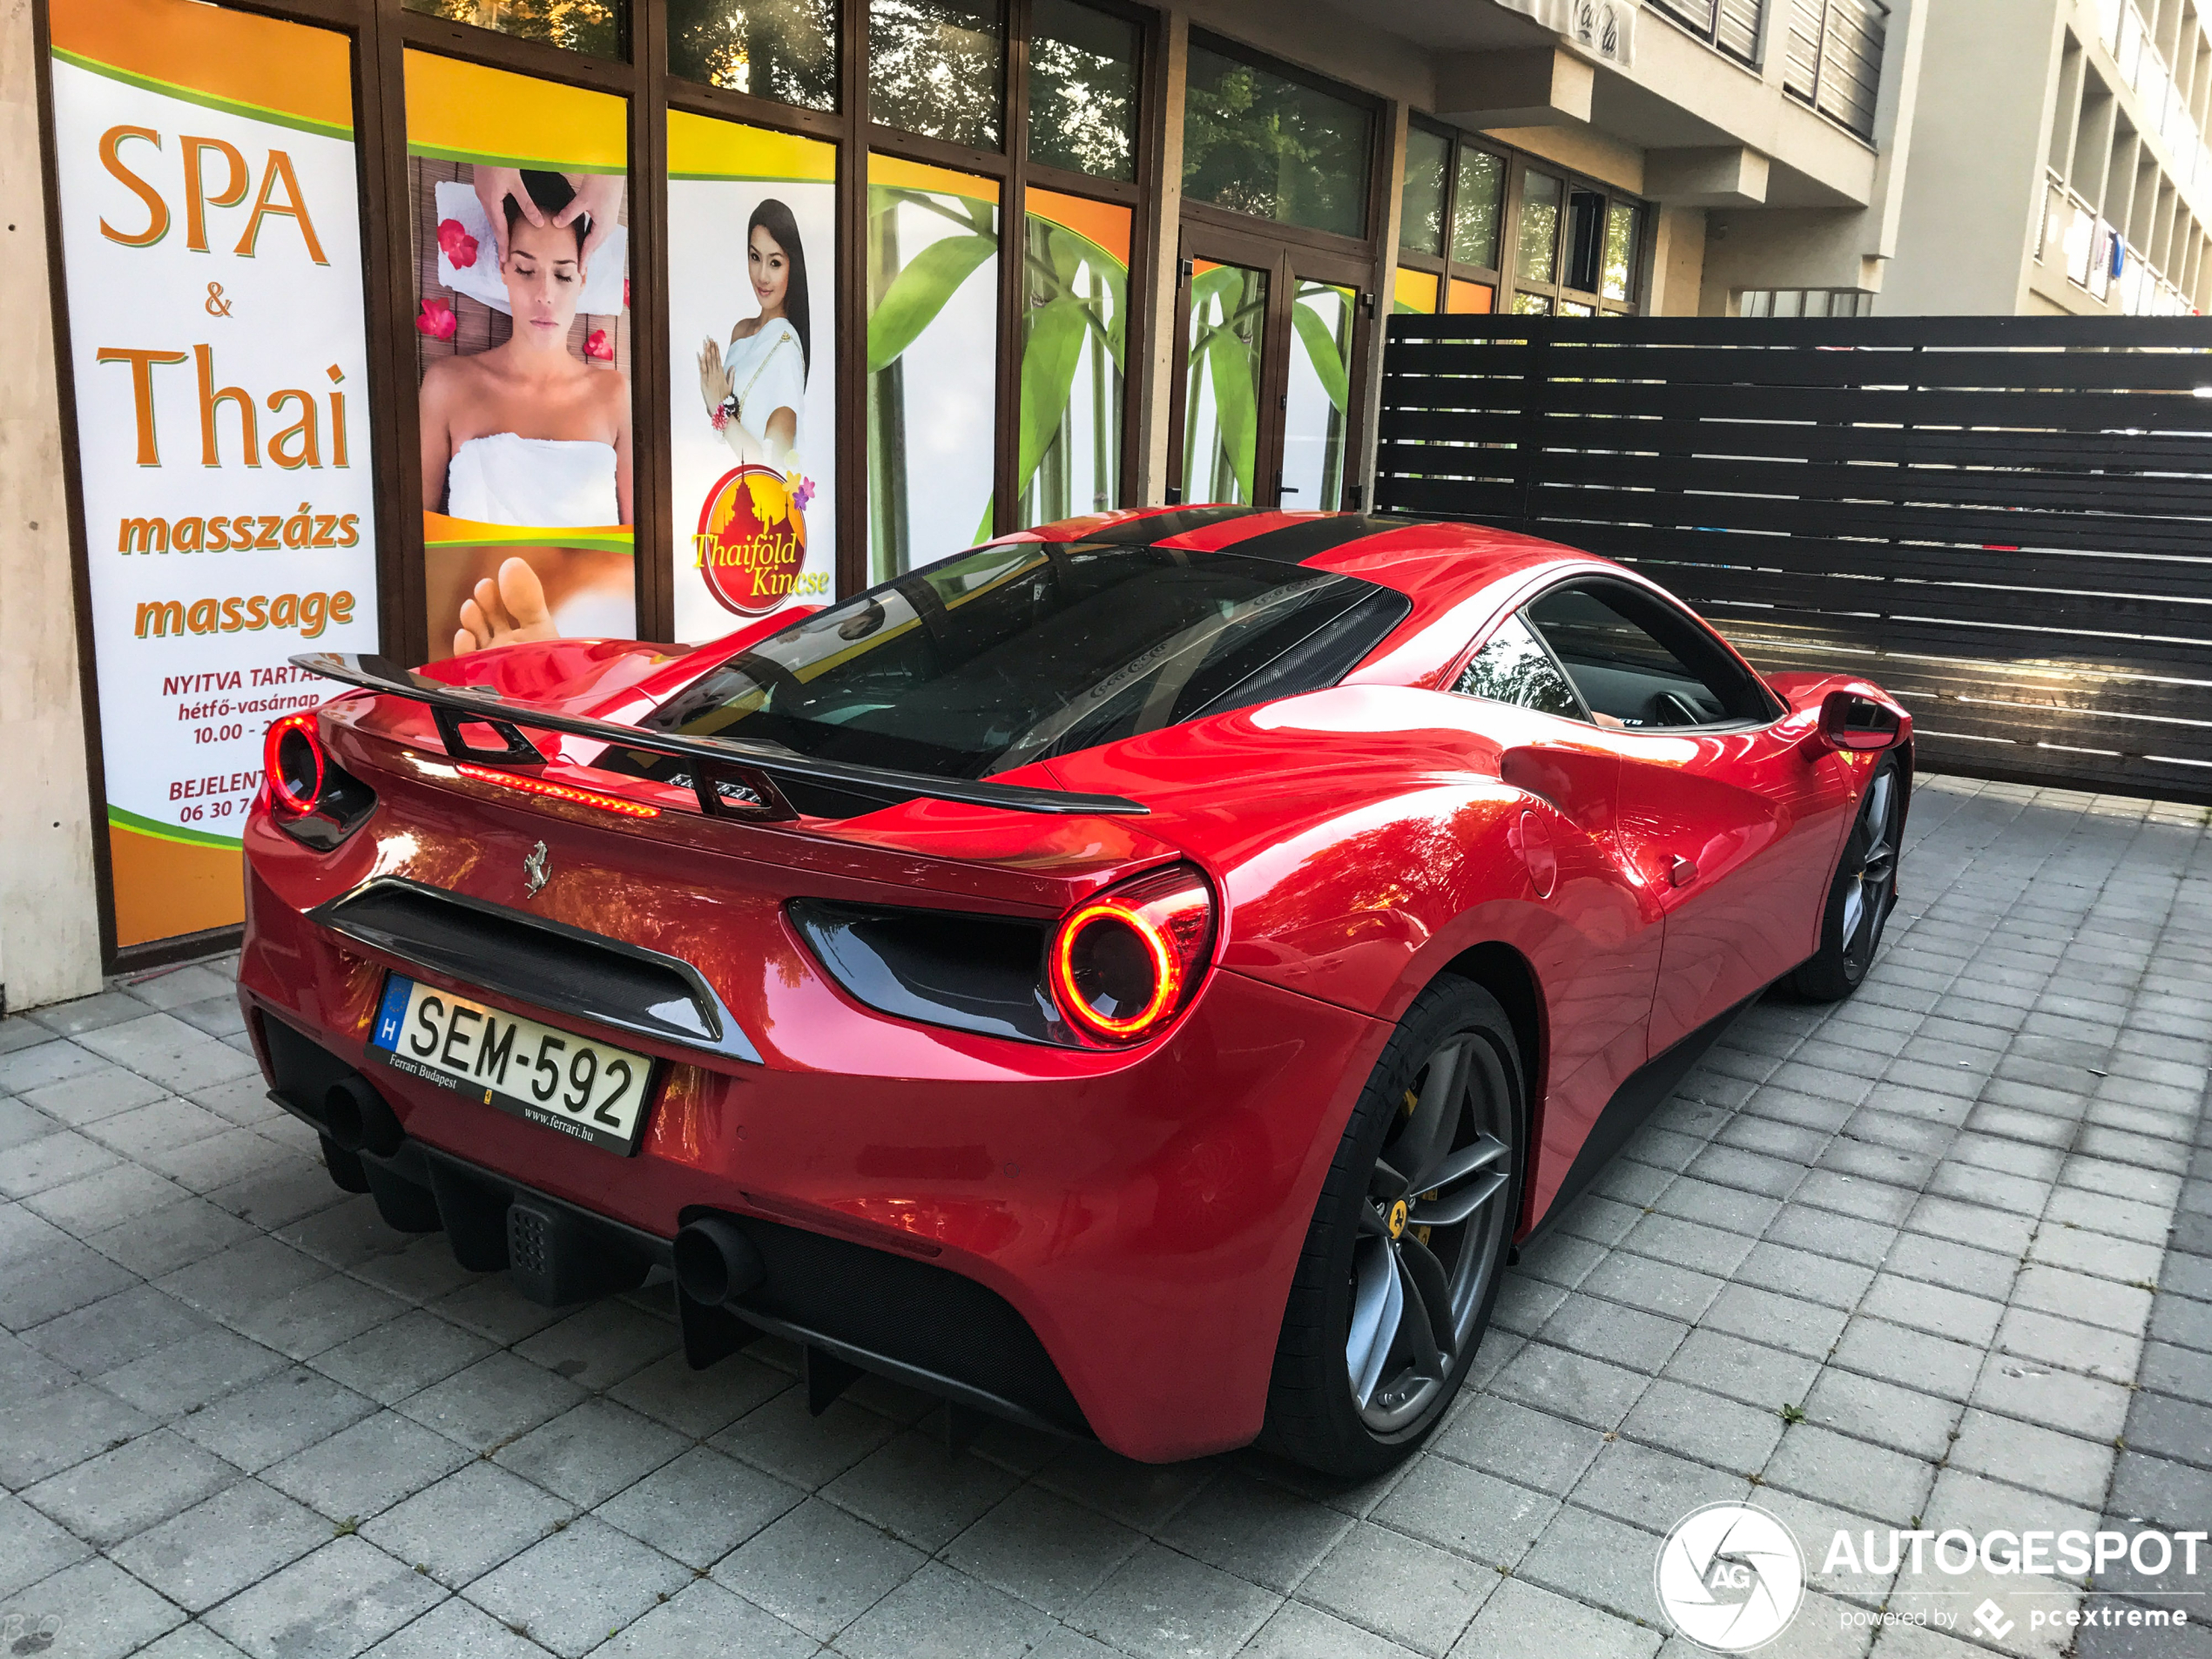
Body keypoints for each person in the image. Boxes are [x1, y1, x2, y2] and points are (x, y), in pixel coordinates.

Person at [421, 170, 632, 656]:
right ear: (501, 265)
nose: (544, 295)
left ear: (583, 275)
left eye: (561, 274)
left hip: (590, 641)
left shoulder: (613, 394)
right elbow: (415, 545)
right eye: (525, 269)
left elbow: (636, 554)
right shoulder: (449, 387)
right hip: (473, 641)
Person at [698, 199, 810, 469]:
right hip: (719, 485)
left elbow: (774, 468)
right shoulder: (741, 331)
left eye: (775, 263)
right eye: (755, 257)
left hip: (758, 504)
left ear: (792, 267)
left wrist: (720, 410)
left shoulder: (785, 348)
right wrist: (717, 404)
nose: (762, 276)